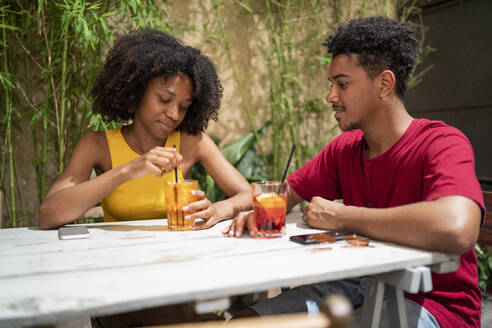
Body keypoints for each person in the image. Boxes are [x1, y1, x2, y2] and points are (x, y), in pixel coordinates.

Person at [223, 16, 484, 328]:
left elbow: (456, 228)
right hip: (359, 285)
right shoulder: (344, 149)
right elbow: (285, 193)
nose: (330, 97)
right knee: (246, 323)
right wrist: (226, 210)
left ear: (384, 83)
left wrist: (343, 217)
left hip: (433, 305)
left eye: (342, 85)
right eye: (331, 86)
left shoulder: (441, 143)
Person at [39, 28, 251, 230]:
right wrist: (130, 169)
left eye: (183, 107)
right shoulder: (97, 145)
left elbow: (250, 195)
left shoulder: (192, 142)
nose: (174, 114)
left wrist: (217, 210)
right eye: (164, 99)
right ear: (137, 92)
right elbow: (49, 215)